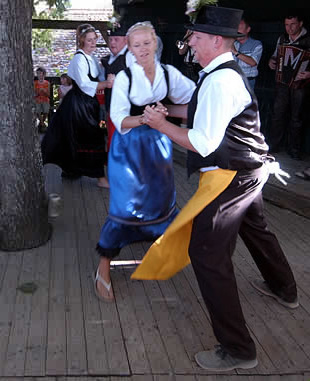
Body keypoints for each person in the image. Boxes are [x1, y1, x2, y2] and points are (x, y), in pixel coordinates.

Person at [142, 5, 298, 372]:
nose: (190, 43)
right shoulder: (218, 74)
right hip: (249, 170)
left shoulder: (221, 80)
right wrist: (168, 111)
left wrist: (158, 126)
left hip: (231, 177)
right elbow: (203, 111)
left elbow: (203, 141)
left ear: (215, 39)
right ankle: (285, 289)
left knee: (207, 254)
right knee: (256, 230)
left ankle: (239, 349)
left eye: (196, 37)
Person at [94, 21, 195, 302]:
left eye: (146, 43)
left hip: (158, 145)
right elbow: (118, 118)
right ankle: (103, 267)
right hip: (129, 147)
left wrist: (166, 114)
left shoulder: (168, 73)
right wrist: (145, 118)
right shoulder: (125, 77)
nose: (142, 49)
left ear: (155, 43)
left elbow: (192, 100)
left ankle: (160, 251)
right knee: (126, 206)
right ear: (130, 47)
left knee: (160, 202)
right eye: (136, 45)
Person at [41, 24, 114, 187]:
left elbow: (98, 76)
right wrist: (106, 84)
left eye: (95, 39)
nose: (93, 43)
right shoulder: (79, 58)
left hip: (88, 103)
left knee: (76, 137)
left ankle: (72, 170)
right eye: (89, 40)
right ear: (82, 41)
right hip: (79, 104)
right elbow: (85, 84)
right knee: (92, 137)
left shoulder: (92, 58)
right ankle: (100, 178)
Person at [268, 14, 310, 159]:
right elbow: (276, 55)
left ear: (300, 23)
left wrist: (309, 73)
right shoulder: (282, 39)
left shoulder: (308, 39)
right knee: (277, 114)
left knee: (296, 117)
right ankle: (274, 145)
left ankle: (295, 150)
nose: (289, 28)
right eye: (286, 25)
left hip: (301, 83)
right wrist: (272, 62)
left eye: (292, 24)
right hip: (282, 83)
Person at [100, 25, 135, 152]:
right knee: (113, 141)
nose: (112, 43)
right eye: (110, 40)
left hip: (127, 110)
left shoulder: (130, 56)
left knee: (123, 144)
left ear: (125, 40)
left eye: (116, 39)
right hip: (112, 107)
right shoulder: (109, 59)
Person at [232, 16, 263, 89]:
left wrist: (235, 52)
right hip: (233, 80)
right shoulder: (233, 43)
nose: (237, 31)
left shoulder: (256, 44)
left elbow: (253, 62)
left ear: (248, 29)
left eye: (240, 28)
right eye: (236, 28)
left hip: (247, 81)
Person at [34, 67, 50, 133]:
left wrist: (44, 91)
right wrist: (38, 92)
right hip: (37, 100)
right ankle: (43, 125)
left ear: (44, 74)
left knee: (46, 111)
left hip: (45, 100)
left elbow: (48, 95)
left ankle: (41, 123)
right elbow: (34, 94)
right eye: (37, 73)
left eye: (40, 73)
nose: (38, 75)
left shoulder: (47, 83)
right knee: (37, 111)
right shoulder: (35, 83)